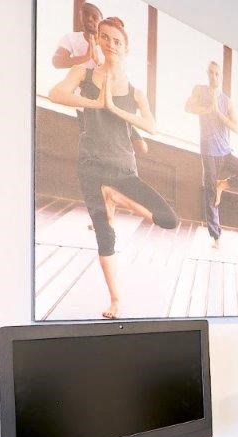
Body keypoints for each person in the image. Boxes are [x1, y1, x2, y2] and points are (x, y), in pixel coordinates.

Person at [49, 17, 178, 319]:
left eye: (117, 41)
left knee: (168, 220)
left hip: (123, 170)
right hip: (92, 166)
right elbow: (57, 94)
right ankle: (116, 300)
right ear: (98, 40)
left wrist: (115, 108)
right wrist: (97, 103)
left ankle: (116, 196)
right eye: (105, 37)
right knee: (105, 236)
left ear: (126, 48)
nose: (111, 44)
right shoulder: (83, 72)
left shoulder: (135, 93)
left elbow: (151, 126)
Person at [51, 2, 150, 228]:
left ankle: (113, 202)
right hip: (90, 108)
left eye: (95, 17)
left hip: (114, 106)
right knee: (100, 158)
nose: (90, 20)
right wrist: (85, 56)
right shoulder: (72, 39)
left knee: (139, 147)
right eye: (86, 15)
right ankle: (106, 215)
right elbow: (57, 63)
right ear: (80, 16)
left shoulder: (107, 44)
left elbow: (117, 74)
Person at [185, 61, 238, 249]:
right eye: (211, 73)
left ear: (220, 76)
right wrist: (208, 110)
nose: (213, 76)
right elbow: (188, 107)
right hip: (208, 152)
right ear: (207, 73)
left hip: (225, 151)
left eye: (217, 74)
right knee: (210, 193)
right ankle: (216, 237)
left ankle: (223, 185)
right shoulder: (200, 91)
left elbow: (236, 127)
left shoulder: (226, 100)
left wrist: (218, 114)